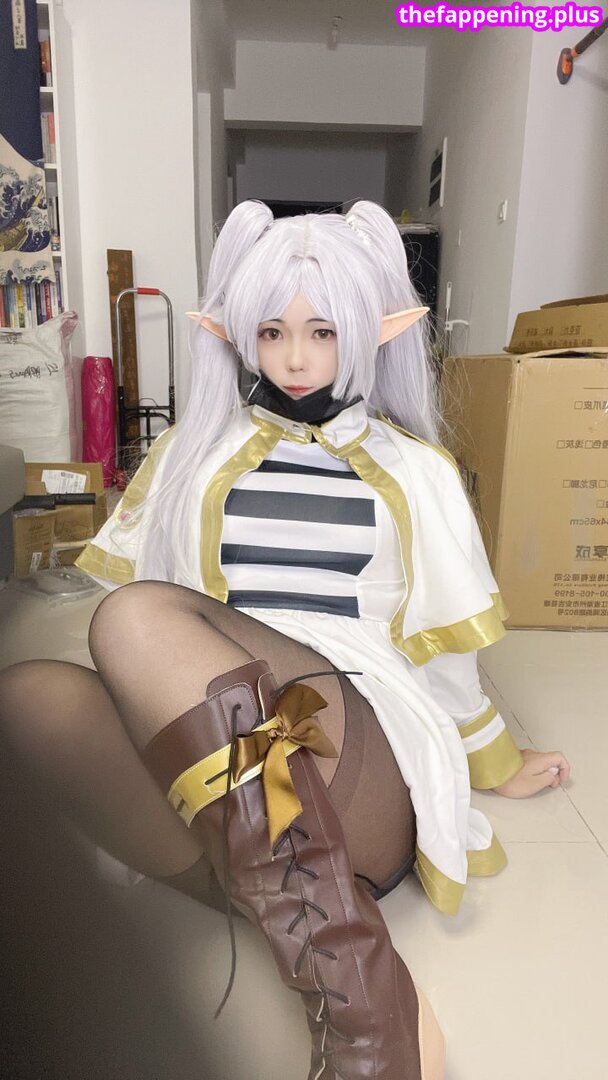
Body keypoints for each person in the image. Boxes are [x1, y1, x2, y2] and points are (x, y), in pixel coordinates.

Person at [0, 200, 570, 1080]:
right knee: (32, 698)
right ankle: (298, 917)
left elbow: (447, 655)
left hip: (352, 748)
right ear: (239, 336)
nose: (295, 358)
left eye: (322, 332)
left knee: (136, 617)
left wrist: (491, 759)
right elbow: (164, 663)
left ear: (372, 333)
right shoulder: (191, 456)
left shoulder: (417, 470)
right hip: (234, 766)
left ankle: (366, 1019)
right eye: (271, 332)